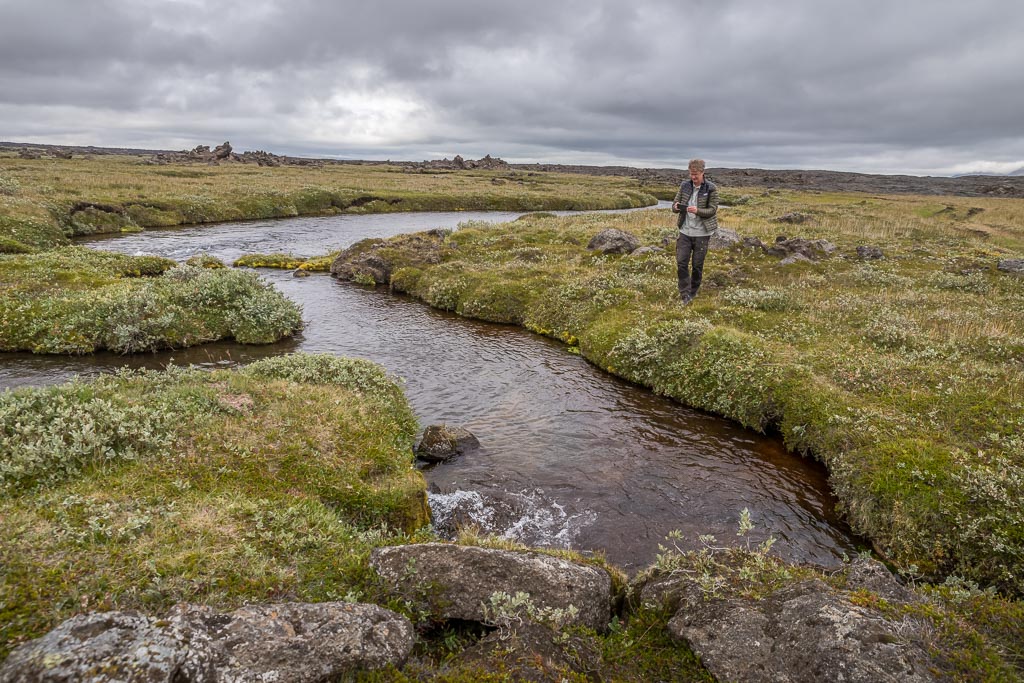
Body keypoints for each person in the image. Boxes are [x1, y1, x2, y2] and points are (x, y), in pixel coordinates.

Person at [671, 159, 719, 304]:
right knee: (681, 262)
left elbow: (712, 210)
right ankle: (685, 294)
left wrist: (698, 211)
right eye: (691, 174)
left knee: (697, 265)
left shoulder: (711, 188)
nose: (693, 177)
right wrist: (677, 207)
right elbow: (674, 205)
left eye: (696, 175)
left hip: (702, 234)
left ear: (703, 172)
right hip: (685, 231)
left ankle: (693, 291)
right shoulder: (685, 185)